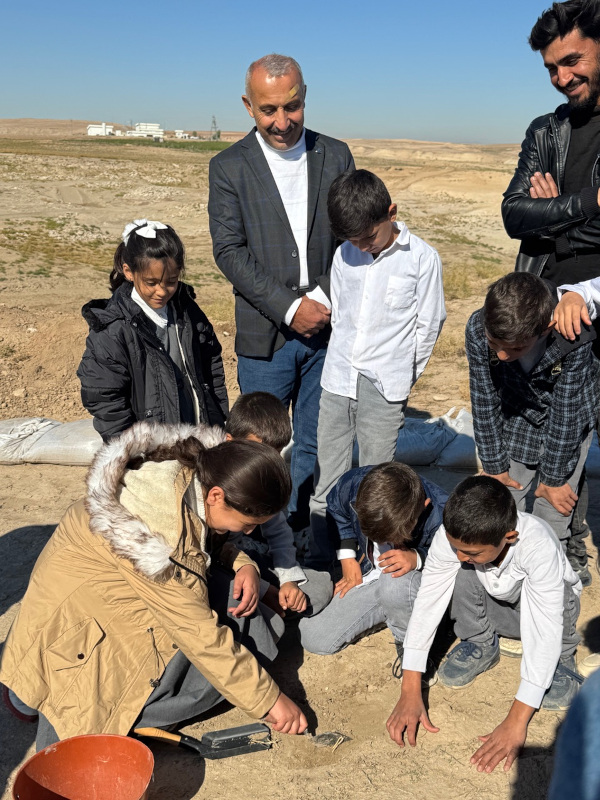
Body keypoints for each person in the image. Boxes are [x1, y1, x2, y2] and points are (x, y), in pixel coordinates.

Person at [0, 422, 308, 750]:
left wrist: (243, 564)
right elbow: (202, 637)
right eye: (247, 525)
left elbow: (202, 541)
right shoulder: (157, 542)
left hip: (86, 614)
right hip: (75, 641)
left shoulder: (185, 476)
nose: (247, 534)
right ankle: (123, 718)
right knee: (215, 658)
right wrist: (270, 700)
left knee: (239, 611)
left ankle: (34, 695)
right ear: (217, 495)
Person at [208, 54, 354, 532]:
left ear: (305, 96)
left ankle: (304, 535)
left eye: (292, 107)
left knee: (316, 441)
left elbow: (352, 239)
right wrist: (290, 308)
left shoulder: (336, 155)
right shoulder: (228, 167)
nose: (282, 121)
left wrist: (324, 302)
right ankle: (255, 544)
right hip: (264, 339)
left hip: (327, 335)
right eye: (269, 110)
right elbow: (229, 252)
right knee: (256, 451)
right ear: (249, 106)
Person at [387, 476, 583, 775]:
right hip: (499, 607)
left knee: (561, 598)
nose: (461, 554)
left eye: (474, 551)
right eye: (457, 548)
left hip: (550, 612)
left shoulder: (537, 543)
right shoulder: (453, 541)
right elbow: (428, 602)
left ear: (510, 536)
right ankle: (480, 642)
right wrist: (410, 689)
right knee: (461, 569)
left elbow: (544, 625)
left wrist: (517, 720)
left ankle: (562, 658)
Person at [502, 0, 600, 584]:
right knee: (563, 429)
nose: (562, 78)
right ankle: (571, 544)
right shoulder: (547, 130)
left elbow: (537, 213)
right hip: (553, 307)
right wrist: (588, 202)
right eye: (551, 69)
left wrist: (553, 209)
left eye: (573, 61)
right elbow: (516, 215)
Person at [307, 170, 445, 567]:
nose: (363, 247)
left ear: (391, 212)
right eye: (354, 241)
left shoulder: (422, 258)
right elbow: (342, 318)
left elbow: (429, 325)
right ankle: (324, 559)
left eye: (370, 237)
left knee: (376, 483)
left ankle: (368, 566)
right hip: (338, 379)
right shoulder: (344, 254)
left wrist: (402, 375)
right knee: (327, 477)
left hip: (384, 386)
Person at [465, 272, 598, 549]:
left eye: (515, 348)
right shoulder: (478, 328)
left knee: (552, 510)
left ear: (547, 328)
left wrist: (552, 479)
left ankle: (565, 557)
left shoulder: (572, 336)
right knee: (502, 504)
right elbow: (484, 398)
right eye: (494, 344)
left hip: (570, 417)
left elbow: (566, 415)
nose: (501, 356)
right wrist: (494, 466)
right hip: (518, 408)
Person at [78, 219, 227, 442]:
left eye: (171, 281)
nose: (161, 291)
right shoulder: (113, 329)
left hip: (197, 437)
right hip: (149, 450)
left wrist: (217, 422)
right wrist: (131, 448)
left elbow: (211, 365)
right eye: (151, 282)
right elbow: (103, 397)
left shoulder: (188, 312)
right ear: (129, 272)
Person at [298, 462, 447, 675]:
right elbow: (336, 508)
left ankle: (411, 645)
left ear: (424, 506)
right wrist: (347, 556)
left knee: (394, 583)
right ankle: (391, 611)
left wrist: (419, 557)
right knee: (314, 636)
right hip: (375, 578)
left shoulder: (444, 514)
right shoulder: (354, 485)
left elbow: (457, 564)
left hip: (410, 585)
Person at [224, 391, 333, 617]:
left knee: (319, 589)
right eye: (257, 451)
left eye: (274, 455)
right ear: (229, 442)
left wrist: (289, 581)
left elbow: (279, 531)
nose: (265, 463)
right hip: (223, 567)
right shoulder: (212, 476)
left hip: (252, 560)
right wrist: (262, 589)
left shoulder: (266, 474)